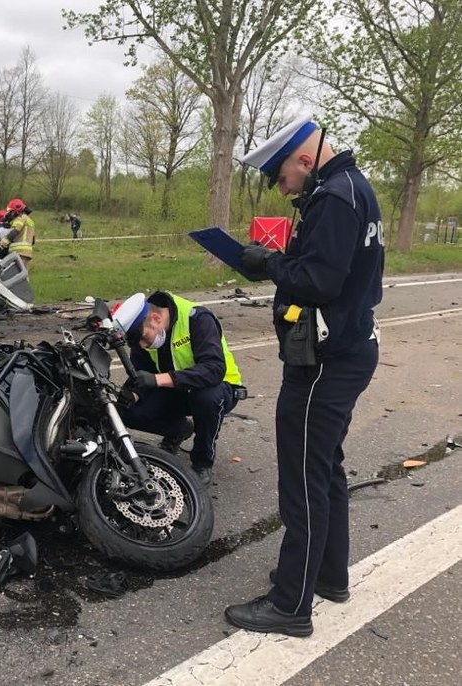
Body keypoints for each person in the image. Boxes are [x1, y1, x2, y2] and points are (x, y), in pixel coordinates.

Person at [224, 115, 384, 637]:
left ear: (304, 158)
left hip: (324, 362)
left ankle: (291, 604)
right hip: (348, 350)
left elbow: (318, 281)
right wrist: (272, 262)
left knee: (303, 480)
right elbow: (325, 266)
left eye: (280, 175)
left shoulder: (335, 197)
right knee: (326, 467)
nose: (279, 186)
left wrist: (268, 263)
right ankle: (329, 576)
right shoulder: (352, 188)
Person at [112, 290, 244, 486]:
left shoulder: (197, 318)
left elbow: (213, 369)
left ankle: (202, 462)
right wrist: (131, 395)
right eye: (135, 342)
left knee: (207, 398)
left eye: (142, 337)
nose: (141, 344)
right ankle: (179, 430)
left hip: (219, 387)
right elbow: (142, 374)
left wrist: (159, 380)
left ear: (156, 318)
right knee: (126, 412)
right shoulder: (143, 336)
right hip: (178, 389)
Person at [0, 198, 35, 267]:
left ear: (16, 211)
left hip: (18, 253)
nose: (9, 214)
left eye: (11, 211)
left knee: (12, 275)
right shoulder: (30, 220)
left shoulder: (20, 218)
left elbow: (14, 232)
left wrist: (1, 245)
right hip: (27, 253)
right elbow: (33, 240)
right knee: (22, 276)